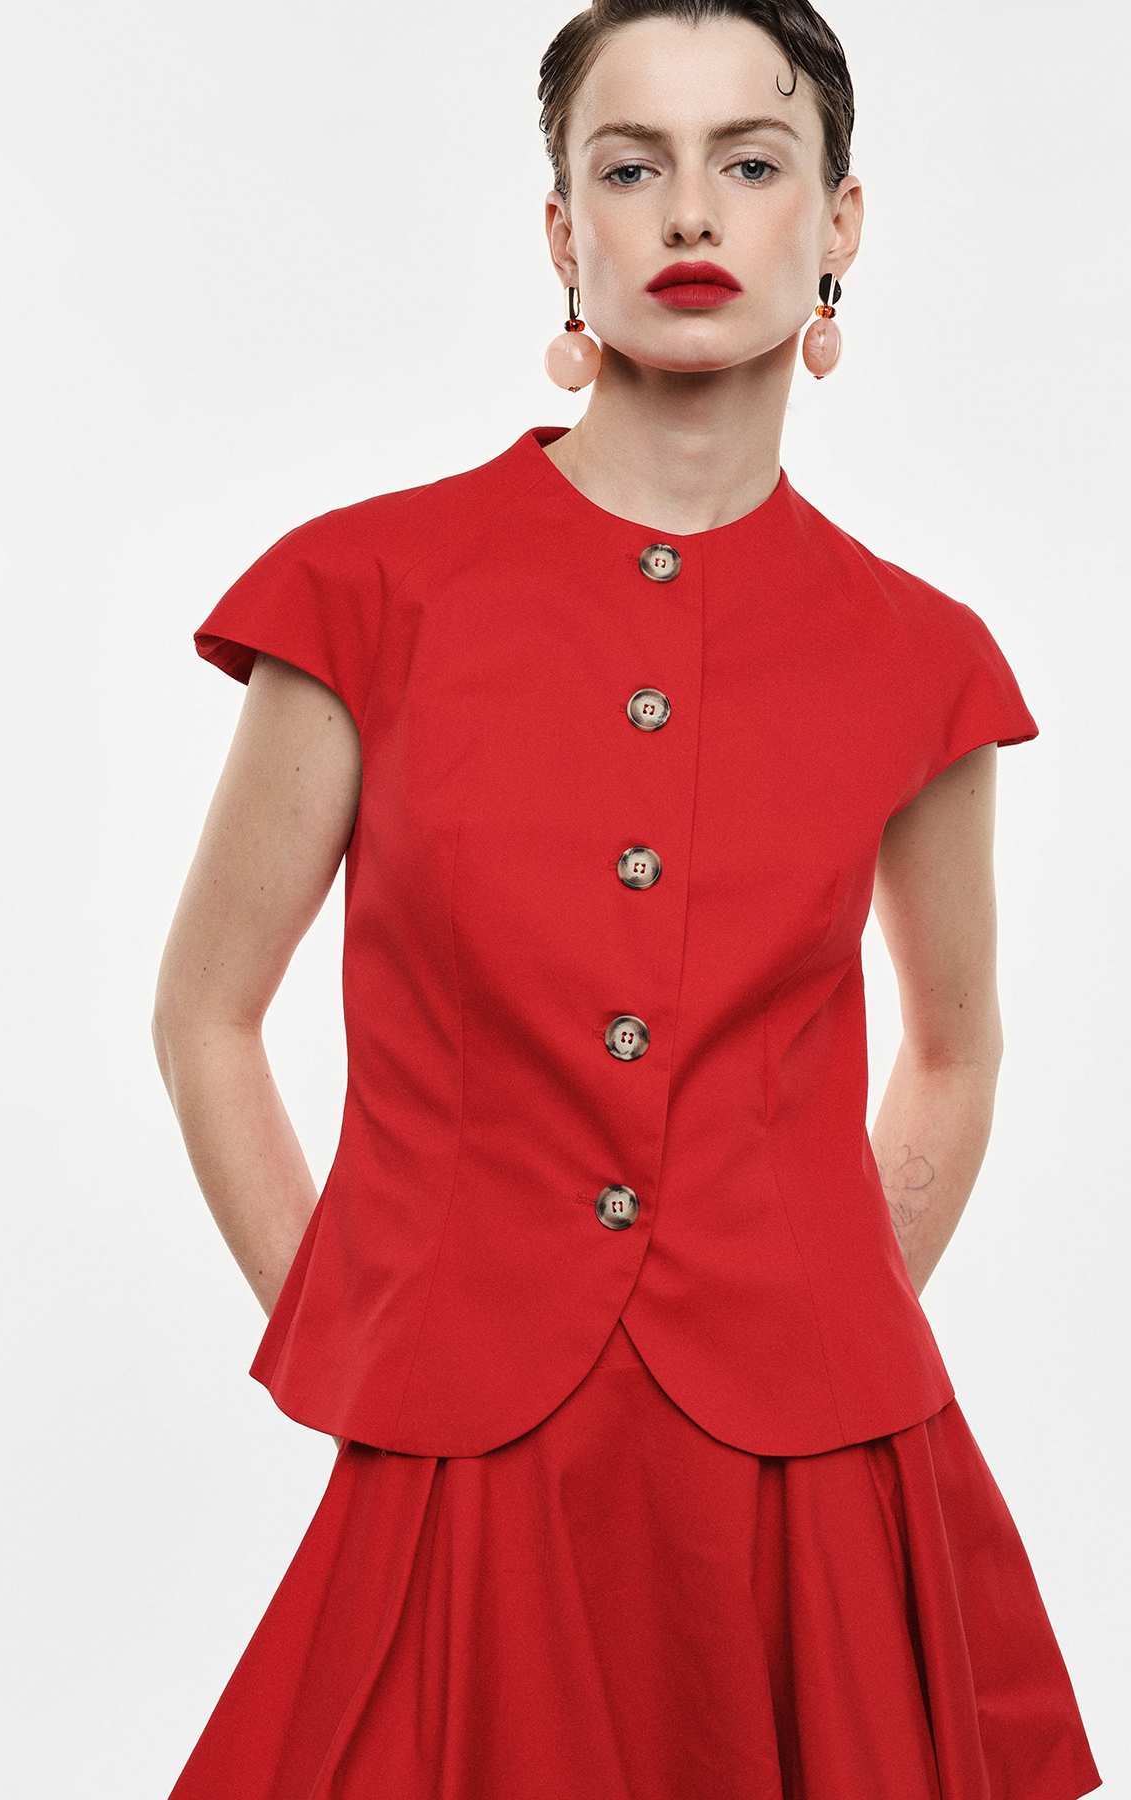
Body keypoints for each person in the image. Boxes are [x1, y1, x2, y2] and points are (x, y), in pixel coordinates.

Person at [152, 3, 1101, 1795]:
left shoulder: (921, 657)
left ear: (837, 227)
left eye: (752, 164)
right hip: (466, 1456)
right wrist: (366, 1322)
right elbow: (204, 1016)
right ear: (560, 230)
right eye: (630, 166)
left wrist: (815, 1319)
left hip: (816, 1484)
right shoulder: (368, 591)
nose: (690, 216)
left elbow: (959, 1055)